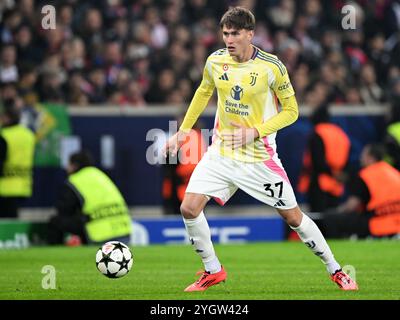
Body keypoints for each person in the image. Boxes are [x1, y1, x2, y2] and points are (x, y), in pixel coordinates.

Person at [163, 7, 358, 292]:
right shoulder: (215, 61)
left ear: (250, 34)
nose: (228, 39)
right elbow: (204, 91)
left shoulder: (272, 67)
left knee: (293, 217)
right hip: (222, 152)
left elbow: (291, 112)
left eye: (235, 33)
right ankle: (213, 271)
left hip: (259, 158)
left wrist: (254, 132)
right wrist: (183, 132)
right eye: (225, 33)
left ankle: (336, 270)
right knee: (188, 208)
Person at [47, 151, 132, 245]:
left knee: (55, 221)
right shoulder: (101, 175)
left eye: (69, 165)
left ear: (74, 166)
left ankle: (59, 253)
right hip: (124, 232)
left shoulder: (75, 181)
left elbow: (64, 209)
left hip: (100, 235)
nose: (67, 168)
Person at [320, 144, 400, 239]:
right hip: (397, 221)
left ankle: (337, 246)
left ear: (371, 158)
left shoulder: (366, 175)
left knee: (330, 217)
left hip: (377, 223)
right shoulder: (394, 172)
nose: (361, 158)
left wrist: (338, 210)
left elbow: (352, 206)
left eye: (363, 155)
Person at [297, 105, 350, 212]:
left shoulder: (318, 133)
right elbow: (348, 157)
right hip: (337, 184)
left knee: (319, 219)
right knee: (332, 219)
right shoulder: (340, 133)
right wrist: (339, 174)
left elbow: (317, 162)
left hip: (319, 183)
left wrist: (331, 172)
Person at [0, 98, 35, 218]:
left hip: (4, 186)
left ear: (7, 118)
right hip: (23, 185)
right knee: (13, 219)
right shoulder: (28, 135)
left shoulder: (4, 135)